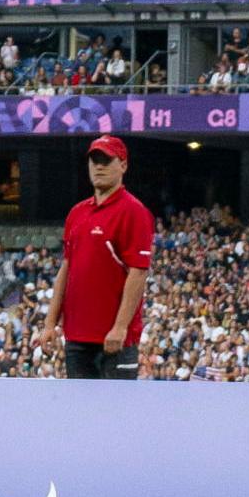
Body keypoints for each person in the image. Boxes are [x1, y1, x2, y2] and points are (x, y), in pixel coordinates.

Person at [61, 135, 152, 376]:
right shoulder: (77, 213)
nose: (99, 166)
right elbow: (66, 268)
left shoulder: (134, 211)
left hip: (115, 341)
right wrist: (50, 324)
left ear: (123, 165)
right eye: (94, 161)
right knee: (78, 413)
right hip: (77, 337)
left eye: (106, 160)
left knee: (117, 413)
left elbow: (138, 272)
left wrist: (120, 327)